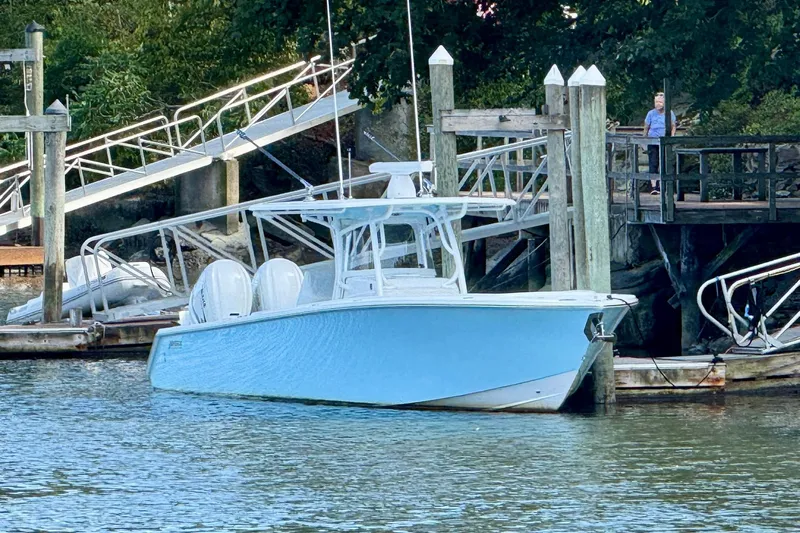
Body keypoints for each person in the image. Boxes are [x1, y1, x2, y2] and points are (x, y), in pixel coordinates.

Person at [643, 92, 677, 194]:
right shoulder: (650, 113)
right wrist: (644, 140)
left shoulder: (669, 113)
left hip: (665, 142)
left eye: (660, 102)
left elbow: (673, 126)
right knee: (653, 163)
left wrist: (671, 137)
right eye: (656, 102)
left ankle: (665, 186)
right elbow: (646, 128)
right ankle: (654, 187)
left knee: (664, 163)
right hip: (653, 141)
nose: (658, 104)